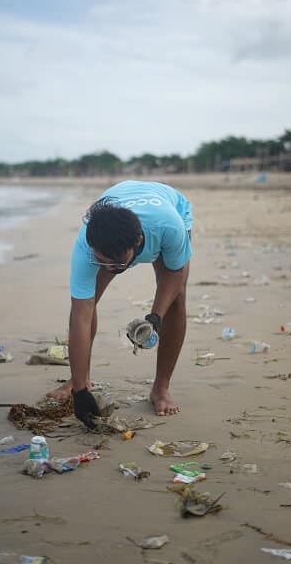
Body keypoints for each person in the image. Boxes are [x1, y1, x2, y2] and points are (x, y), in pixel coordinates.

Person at [48, 180, 193, 429]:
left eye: (117, 264)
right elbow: (81, 315)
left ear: (137, 243)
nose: (111, 270)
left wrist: (156, 317)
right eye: (102, 261)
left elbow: (175, 276)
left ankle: (160, 388)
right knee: (85, 305)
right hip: (115, 219)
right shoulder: (86, 247)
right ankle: (78, 379)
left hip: (169, 210)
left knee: (177, 301)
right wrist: (81, 393)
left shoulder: (169, 226)